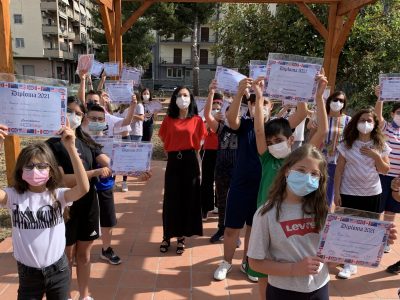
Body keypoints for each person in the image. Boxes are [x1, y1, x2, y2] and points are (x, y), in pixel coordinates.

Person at [213, 77, 308, 282]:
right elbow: (231, 119)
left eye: (263, 102)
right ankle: (226, 262)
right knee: (231, 228)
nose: (259, 105)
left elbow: (301, 114)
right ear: (249, 105)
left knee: (254, 229)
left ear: (270, 105)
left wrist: (299, 86)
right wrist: (240, 93)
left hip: (264, 188)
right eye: (254, 102)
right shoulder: (246, 125)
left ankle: (248, 263)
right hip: (240, 185)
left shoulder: (277, 128)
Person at [249, 73, 328, 299]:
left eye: (279, 140)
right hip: (272, 218)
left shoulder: (301, 158)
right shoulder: (267, 158)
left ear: (291, 139)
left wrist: (317, 97)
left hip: (314, 282)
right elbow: (258, 131)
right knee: (264, 276)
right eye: (271, 141)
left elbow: (321, 130)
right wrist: (259, 96)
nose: (274, 145)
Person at [0, 127, 90, 300]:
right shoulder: (13, 196)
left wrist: (71, 147)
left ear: (51, 170)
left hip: (59, 271)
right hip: (28, 274)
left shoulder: (59, 194)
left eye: (42, 166)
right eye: (30, 166)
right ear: (21, 170)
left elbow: (83, 187)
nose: (35, 170)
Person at [47, 96, 112, 300]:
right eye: (70, 111)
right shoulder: (51, 145)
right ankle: (64, 295)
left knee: (84, 255)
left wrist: (136, 166)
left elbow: (109, 162)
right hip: (66, 207)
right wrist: (93, 173)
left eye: (78, 113)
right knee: (66, 256)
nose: (73, 116)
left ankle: (84, 295)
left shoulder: (86, 140)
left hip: (89, 204)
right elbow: (61, 180)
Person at [248, 144, 329, 300]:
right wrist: (294, 269)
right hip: (283, 291)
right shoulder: (266, 214)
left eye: (314, 174)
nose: (307, 177)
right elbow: (255, 263)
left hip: (320, 287)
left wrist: (379, 238)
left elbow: (331, 258)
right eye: (301, 170)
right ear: (287, 171)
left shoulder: (322, 211)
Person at [334, 107, 391, 279]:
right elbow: (339, 171)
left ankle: (352, 261)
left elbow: (385, 170)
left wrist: (376, 156)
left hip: (371, 194)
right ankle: (348, 262)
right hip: (349, 192)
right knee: (347, 227)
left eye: (369, 121)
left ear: (375, 125)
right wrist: (337, 193)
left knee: (364, 229)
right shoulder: (347, 144)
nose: (365, 124)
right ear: (356, 122)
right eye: (362, 120)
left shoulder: (380, 145)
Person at [82, 102, 136, 265]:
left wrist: (135, 170)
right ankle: (81, 251)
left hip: (104, 180)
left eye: (100, 119)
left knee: (107, 216)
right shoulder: (76, 137)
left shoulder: (106, 136)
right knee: (84, 217)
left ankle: (106, 249)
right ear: (85, 118)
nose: (97, 121)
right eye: (93, 118)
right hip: (81, 184)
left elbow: (110, 161)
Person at [158, 86, 206, 255]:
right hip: (173, 162)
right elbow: (164, 140)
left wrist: (189, 155)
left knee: (187, 200)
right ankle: (166, 236)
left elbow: (199, 143)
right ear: (174, 98)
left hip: (190, 161)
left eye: (185, 95)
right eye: (179, 95)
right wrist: (173, 153)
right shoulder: (168, 119)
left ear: (190, 98)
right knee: (171, 199)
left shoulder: (197, 120)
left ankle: (181, 237)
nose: (182, 98)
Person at [204, 81, 238, 243]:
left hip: (238, 171)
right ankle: (221, 229)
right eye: (228, 112)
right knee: (222, 201)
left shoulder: (243, 130)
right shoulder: (221, 128)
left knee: (235, 203)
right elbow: (207, 116)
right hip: (221, 171)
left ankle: (234, 234)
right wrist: (211, 93)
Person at [308, 91, 351, 206]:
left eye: (341, 101)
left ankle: (324, 220)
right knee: (314, 193)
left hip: (337, 163)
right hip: (318, 161)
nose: (338, 102)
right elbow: (311, 139)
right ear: (329, 101)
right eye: (335, 99)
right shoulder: (320, 118)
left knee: (329, 195)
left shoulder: (349, 120)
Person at [375, 85, 400, 254]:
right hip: (382, 174)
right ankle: (375, 236)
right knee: (378, 207)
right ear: (393, 114)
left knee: (392, 210)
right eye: (399, 113)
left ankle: (386, 240)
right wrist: (380, 97)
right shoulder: (386, 127)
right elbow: (377, 116)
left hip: (397, 179)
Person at [201, 96, 222, 220]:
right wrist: (211, 120)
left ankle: (218, 205)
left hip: (222, 152)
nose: (215, 111)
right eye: (213, 109)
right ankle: (205, 208)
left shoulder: (225, 121)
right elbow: (204, 132)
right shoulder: (206, 121)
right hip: (208, 152)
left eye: (217, 109)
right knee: (207, 181)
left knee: (220, 180)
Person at [120, 94, 145, 192]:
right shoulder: (121, 107)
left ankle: (136, 177)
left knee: (133, 157)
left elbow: (142, 118)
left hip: (136, 133)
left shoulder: (138, 105)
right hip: (124, 133)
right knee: (125, 158)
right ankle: (124, 181)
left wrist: (130, 113)